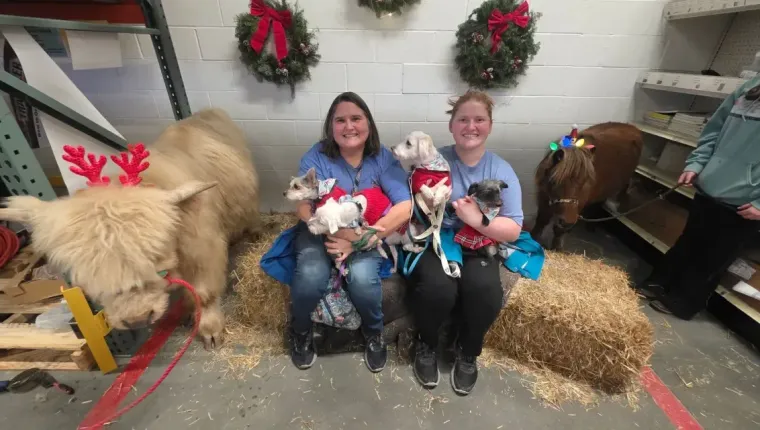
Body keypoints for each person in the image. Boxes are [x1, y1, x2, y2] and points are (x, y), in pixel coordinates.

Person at [405, 90, 523, 395]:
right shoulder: (434, 162)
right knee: (437, 287)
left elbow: (512, 228)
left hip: (479, 243)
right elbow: (415, 206)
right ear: (452, 125)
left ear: (490, 125)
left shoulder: (500, 170)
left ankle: (468, 351)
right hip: (439, 239)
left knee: (485, 291)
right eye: (463, 119)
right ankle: (426, 344)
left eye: (479, 119)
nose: (471, 126)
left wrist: (476, 219)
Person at [288, 92, 412, 372]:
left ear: (369, 123)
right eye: (340, 120)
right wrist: (336, 235)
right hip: (320, 228)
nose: (349, 126)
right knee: (310, 275)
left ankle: (373, 333)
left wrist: (361, 241)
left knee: (363, 279)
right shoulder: (316, 157)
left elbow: (405, 206)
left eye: (356, 118)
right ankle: (300, 330)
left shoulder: (383, 158)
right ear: (331, 127)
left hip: (366, 231)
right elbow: (304, 206)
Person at [637, 75, 760, 319]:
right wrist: (697, 163)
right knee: (688, 241)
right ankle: (659, 282)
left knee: (714, 257)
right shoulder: (749, 88)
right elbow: (714, 130)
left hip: (745, 201)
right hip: (711, 184)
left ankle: (684, 302)